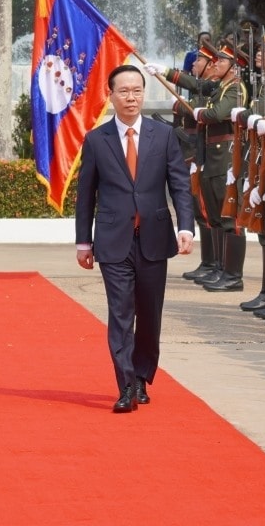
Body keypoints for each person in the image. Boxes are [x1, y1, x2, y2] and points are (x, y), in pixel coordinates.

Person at [75, 65, 195, 413]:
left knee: (150, 313)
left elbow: (179, 185)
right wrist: (84, 242)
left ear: (143, 93)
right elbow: (86, 196)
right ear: (110, 95)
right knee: (121, 313)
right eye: (123, 91)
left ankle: (142, 374)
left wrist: (185, 226)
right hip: (113, 240)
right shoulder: (97, 140)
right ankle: (126, 385)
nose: (131, 97)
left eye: (137, 90)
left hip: (155, 237)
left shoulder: (163, 135)